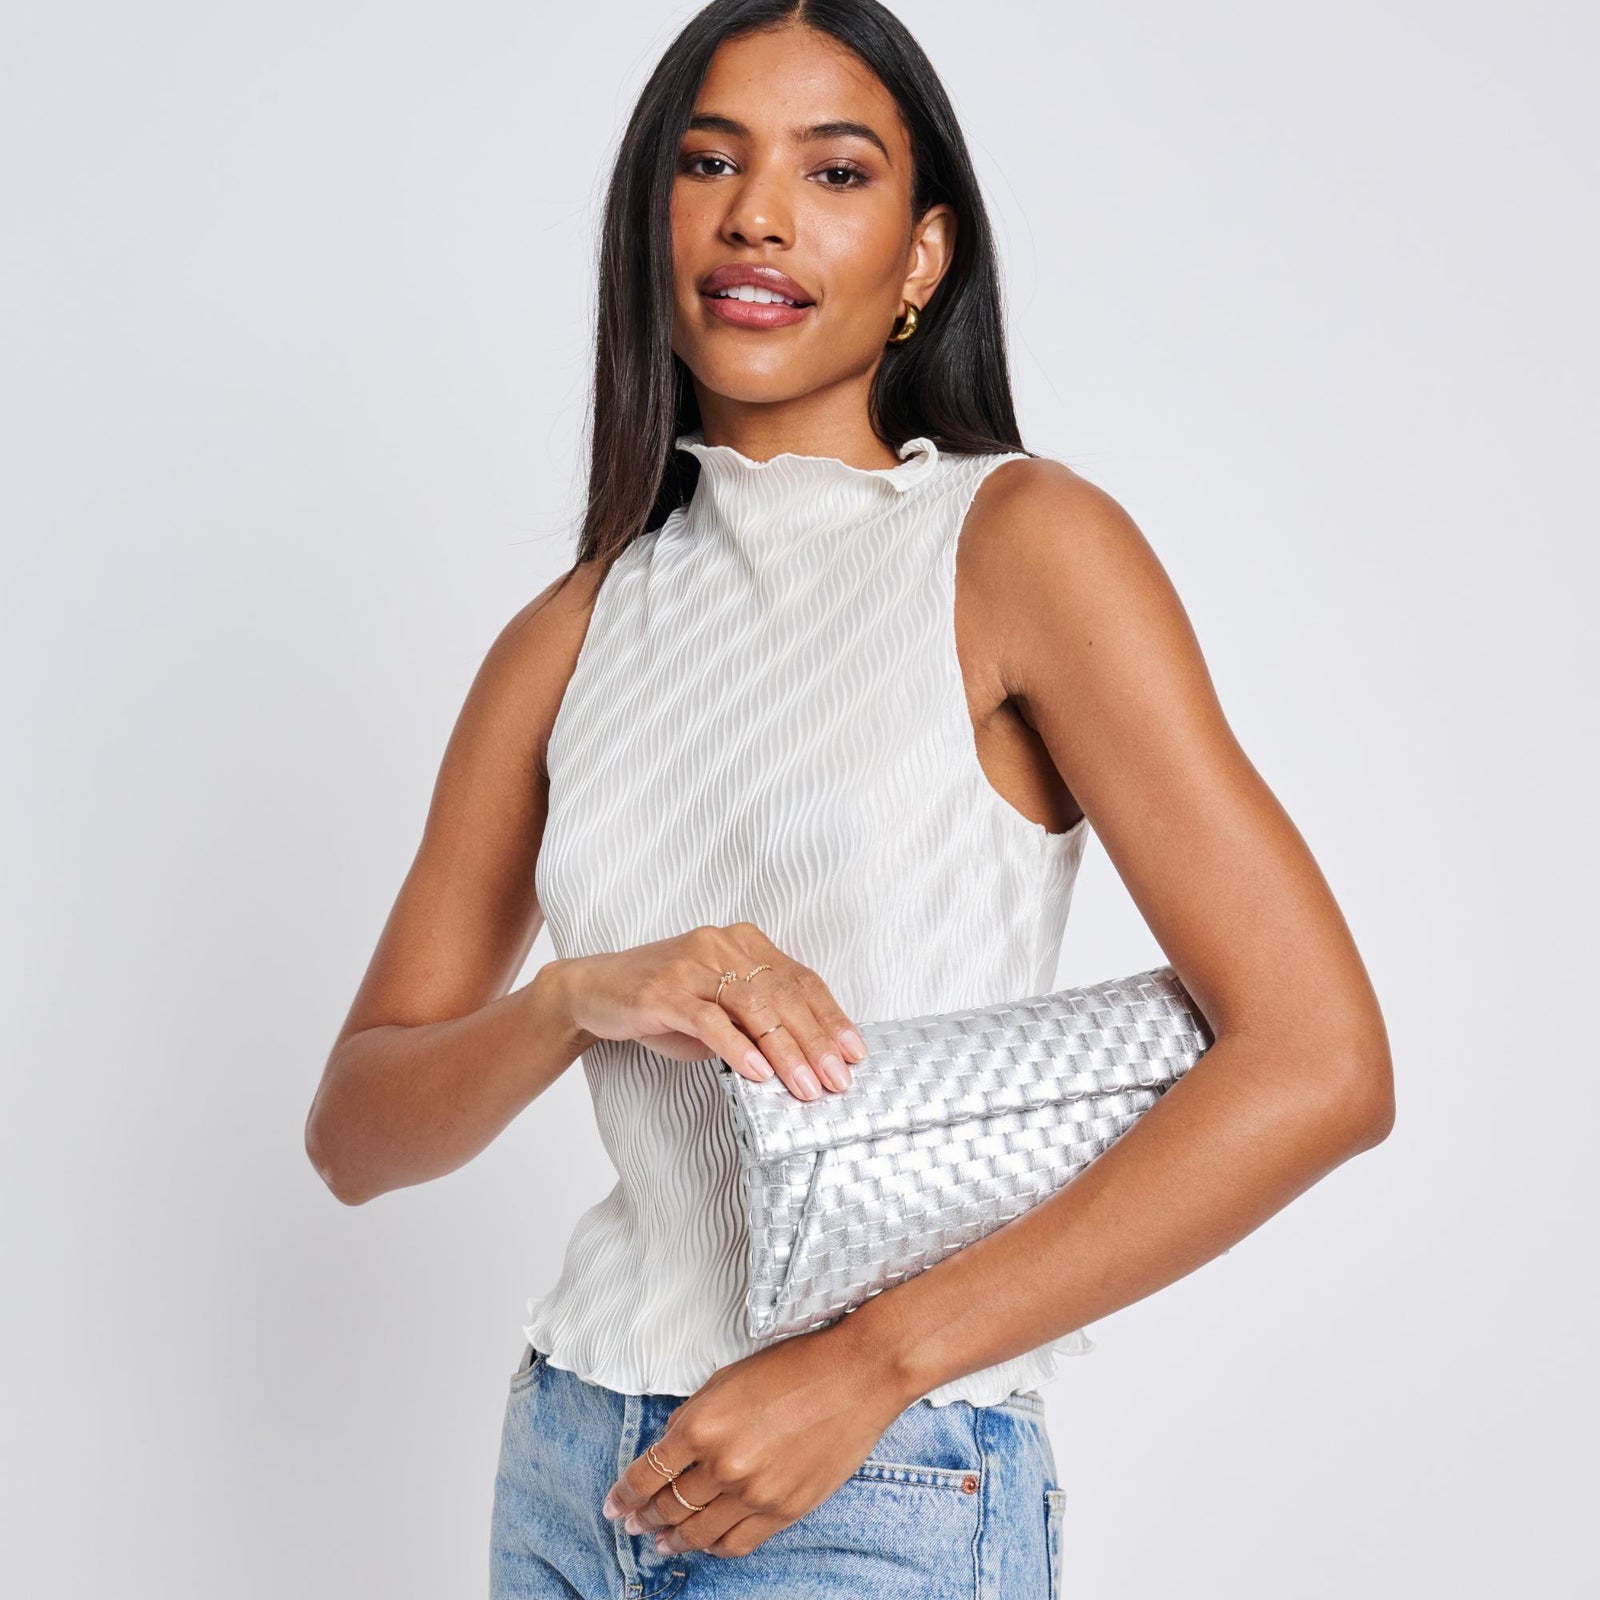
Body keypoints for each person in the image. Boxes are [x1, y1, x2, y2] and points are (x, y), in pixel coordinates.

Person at [304, 3, 1394, 1595]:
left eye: (833, 171)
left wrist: (873, 1365)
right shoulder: (567, 636)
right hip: (567, 1460)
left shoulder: (1021, 547)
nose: (757, 213)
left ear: (922, 256)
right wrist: (573, 1000)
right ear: (653, 221)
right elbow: (357, 1135)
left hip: (873, 1478)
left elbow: (1320, 1063)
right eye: (709, 162)